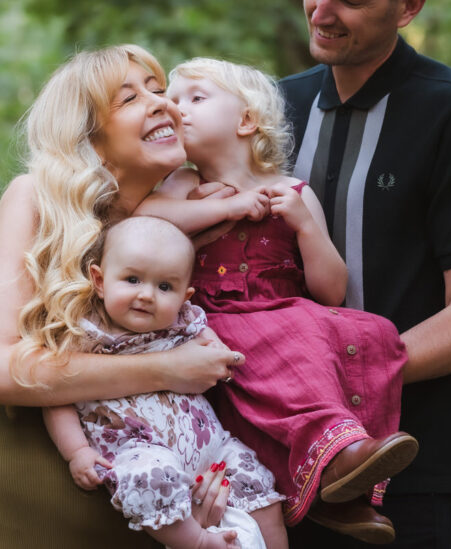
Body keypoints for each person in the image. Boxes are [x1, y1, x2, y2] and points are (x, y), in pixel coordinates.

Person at [278, 0, 451, 547]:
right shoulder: (272, 108)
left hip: (406, 478)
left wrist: (342, 373)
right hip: (272, 473)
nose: (320, 11)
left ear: (409, 6)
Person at [0, 45, 249, 548]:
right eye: (129, 98)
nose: (162, 103)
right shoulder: (35, 203)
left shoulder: (171, 235)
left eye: (159, 90)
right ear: (87, 136)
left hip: (158, 526)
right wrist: (167, 369)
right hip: (33, 522)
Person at [137, 57, 418, 545]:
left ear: (246, 120)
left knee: (372, 332)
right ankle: (339, 462)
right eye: (172, 100)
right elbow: (143, 220)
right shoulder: (183, 184)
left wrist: (306, 226)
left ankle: (342, 483)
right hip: (216, 319)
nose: (176, 109)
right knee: (293, 342)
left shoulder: (291, 192)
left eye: (195, 98)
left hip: (283, 310)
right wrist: (224, 206)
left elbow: (331, 290)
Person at [43, 215, 287, 549]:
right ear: (99, 280)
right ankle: (197, 542)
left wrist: (219, 352)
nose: (146, 295)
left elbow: (213, 349)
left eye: (165, 287)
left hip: (213, 448)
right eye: (132, 279)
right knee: (148, 480)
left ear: (185, 297)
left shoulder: (184, 322)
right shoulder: (84, 334)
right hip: (140, 450)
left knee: (258, 485)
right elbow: (57, 396)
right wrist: (77, 451)